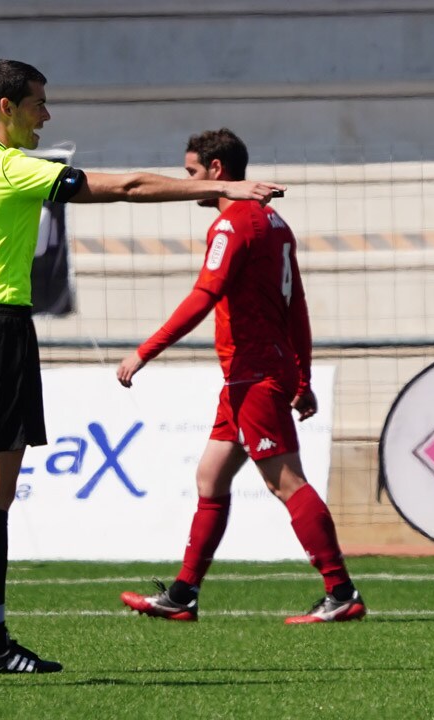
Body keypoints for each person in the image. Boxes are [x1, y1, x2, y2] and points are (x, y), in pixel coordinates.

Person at [0, 61, 284, 676]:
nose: (45, 115)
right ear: (5, 108)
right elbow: (127, 188)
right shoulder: (12, 167)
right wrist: (220, 191)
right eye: (37, 104)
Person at [117, 129, 365, 625]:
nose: (188, 185)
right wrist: (303, 375)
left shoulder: (233, 226)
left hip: (254, 373)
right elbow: (296, 307)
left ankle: (341, 592)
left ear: (216, 170)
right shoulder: (274, 222)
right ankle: (183, 594)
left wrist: (145, 351)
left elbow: (203, 295)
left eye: (190, 173)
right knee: (210, 476)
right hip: (251, 372)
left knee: (286, 482)